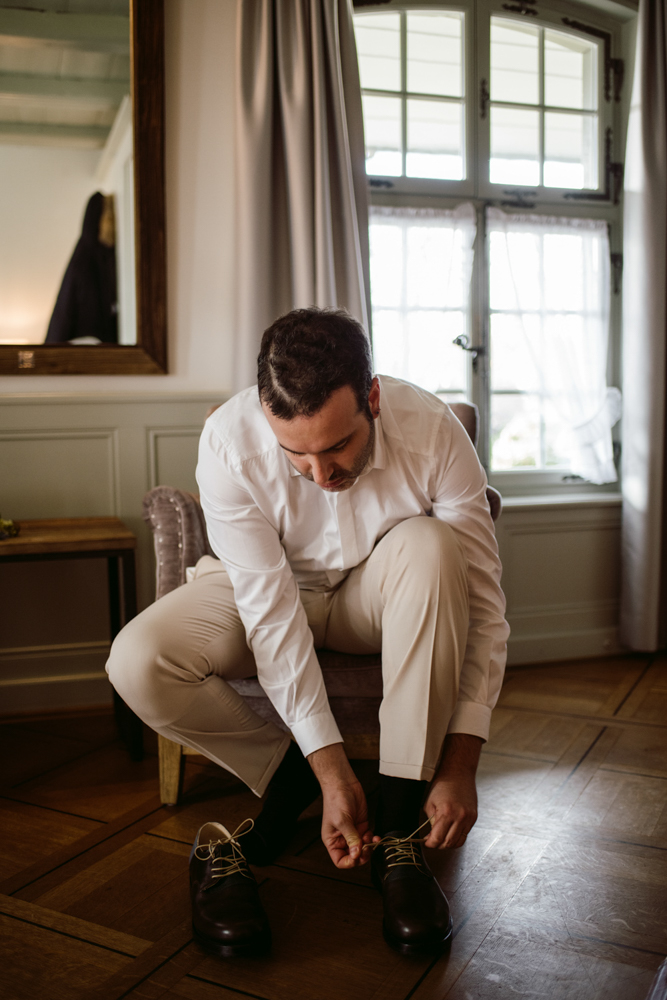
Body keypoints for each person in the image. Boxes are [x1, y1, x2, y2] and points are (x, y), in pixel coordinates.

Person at [107, 307, 509, 959]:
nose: (320, 475)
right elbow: (269, 613)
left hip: (369, 591)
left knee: (435, 547)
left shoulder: (433, 429)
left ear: (371, 397)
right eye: (295, 453)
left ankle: (400, 819)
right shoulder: (228, 440)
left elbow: (484, 606)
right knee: (137, 660)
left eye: (337, 447)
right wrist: (328, 769)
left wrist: (462, 763)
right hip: (255, 585)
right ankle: (294, 777)